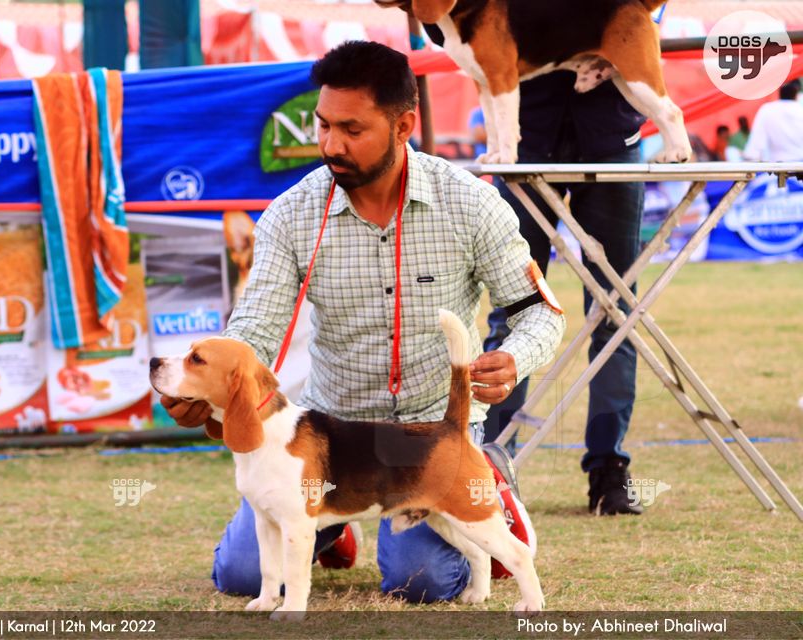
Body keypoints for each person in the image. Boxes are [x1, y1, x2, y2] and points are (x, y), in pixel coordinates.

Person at [160, 41, 565, 604]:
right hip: (330, 437)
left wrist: (514, 359)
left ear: (403, 126)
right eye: (323, 125)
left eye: (352, 130)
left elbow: (538, 310)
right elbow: (254, 330)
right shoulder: (291, 214)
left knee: (422, 583)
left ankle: (482, 472)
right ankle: (333, 527)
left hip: (429, 435)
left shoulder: (473, 203)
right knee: (242, 576)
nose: (331, 145)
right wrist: (207, 381)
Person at [482, 71, 647, 516]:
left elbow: (646, 30)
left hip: (612, 137)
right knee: (513, 312)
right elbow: (452, 35)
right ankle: (491, 467)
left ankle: (609, 467)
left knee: (615, 316)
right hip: (524, 140)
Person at [742, 80, 803, 162]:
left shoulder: (767, 109)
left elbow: (755, 144)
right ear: (796, 94)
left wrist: (751, 157)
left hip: (777, 165)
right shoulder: (800, 108)